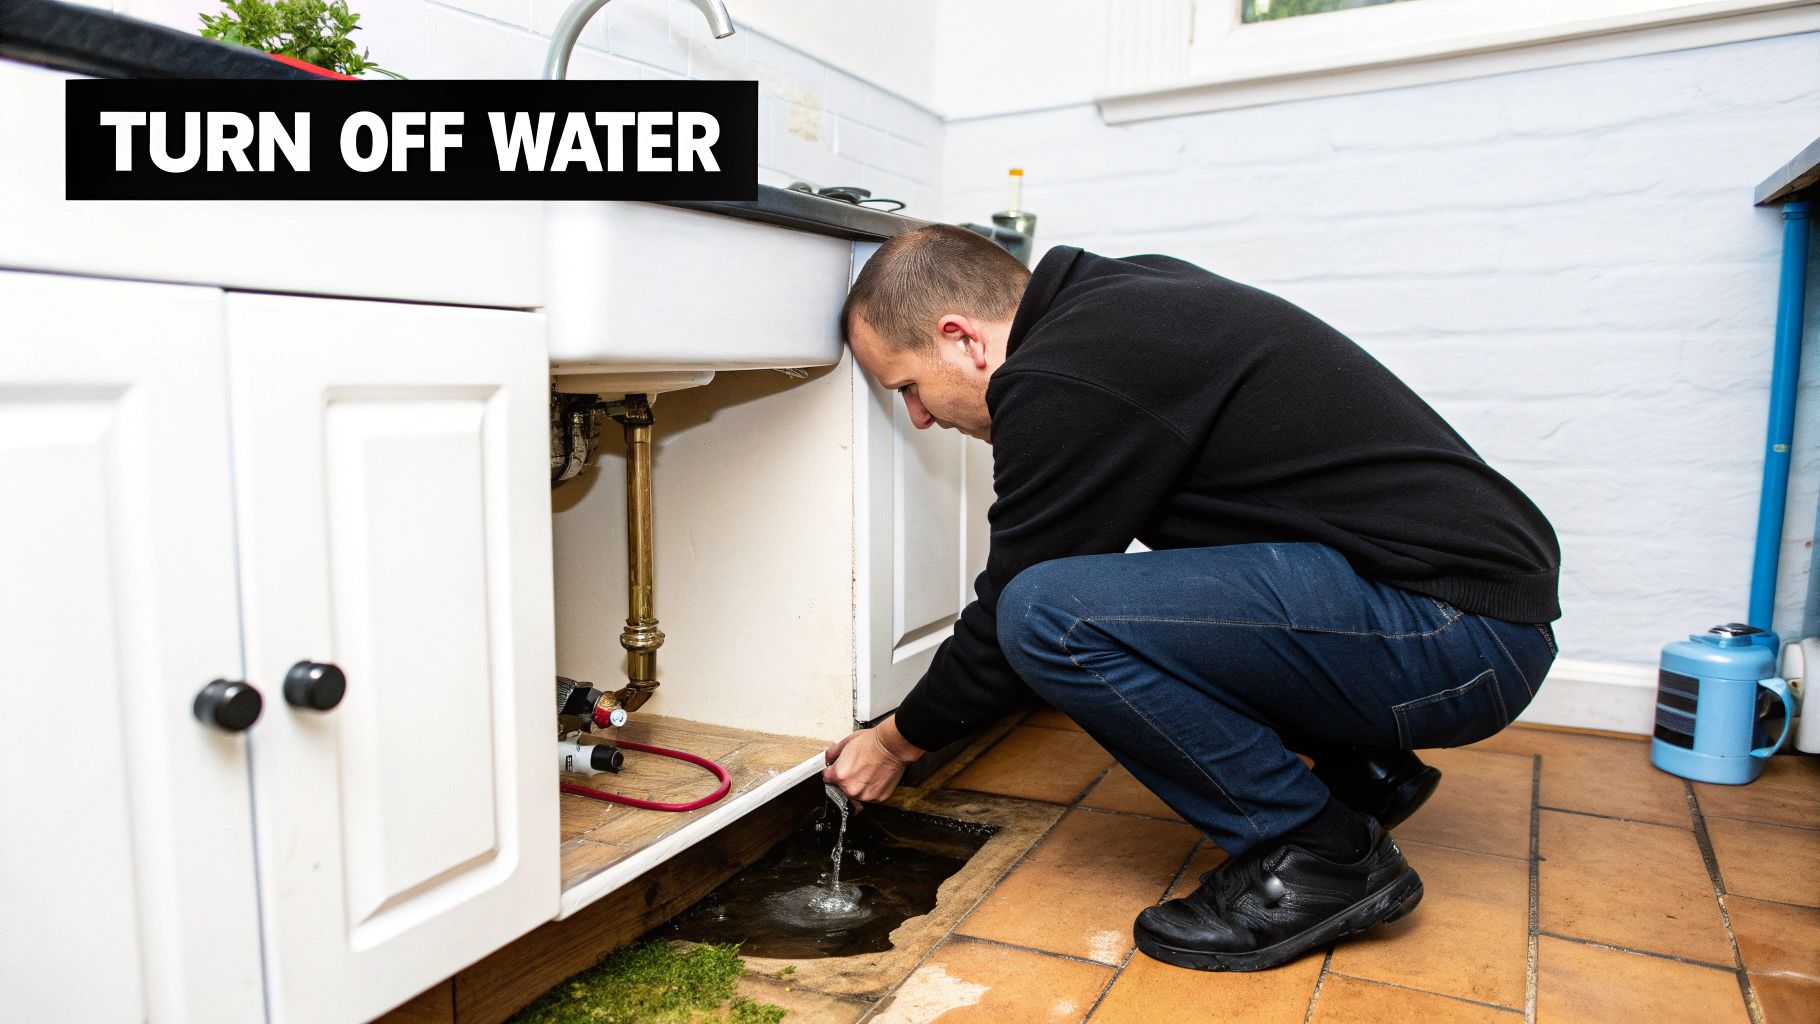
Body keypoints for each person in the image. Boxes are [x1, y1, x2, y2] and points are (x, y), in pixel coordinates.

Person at [821, 224, 1560, 972]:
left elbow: (1014, 607)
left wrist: (894, 742)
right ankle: (1361, 767)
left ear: (962, 339)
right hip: (1467, 618)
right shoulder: (1124, 297)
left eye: (908, 386)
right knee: (1128, 594)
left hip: (1457, 637)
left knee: (1047, 613)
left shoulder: (1064, 373)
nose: (918, 416)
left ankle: (1317, 855)